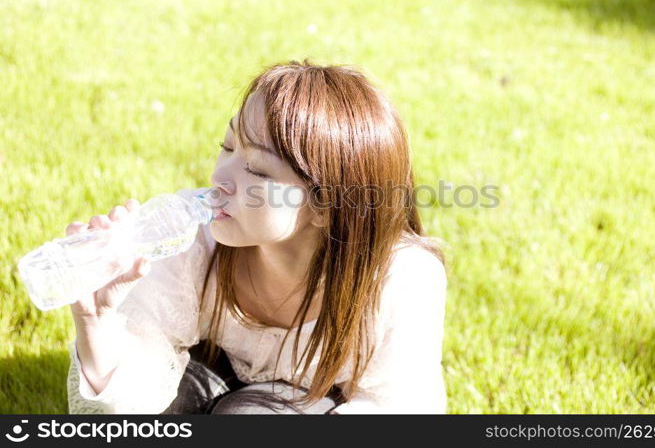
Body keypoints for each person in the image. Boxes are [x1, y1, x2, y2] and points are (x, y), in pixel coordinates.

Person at [66, 59, 448, 414]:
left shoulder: (402, 278)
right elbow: (128, 398)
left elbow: (396, 409)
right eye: (228, 147)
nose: (220, 178)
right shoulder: (195, 238)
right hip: (211, 362)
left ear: (325, 206)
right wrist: (97, 324)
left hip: (315, 398)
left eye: (258, 170)